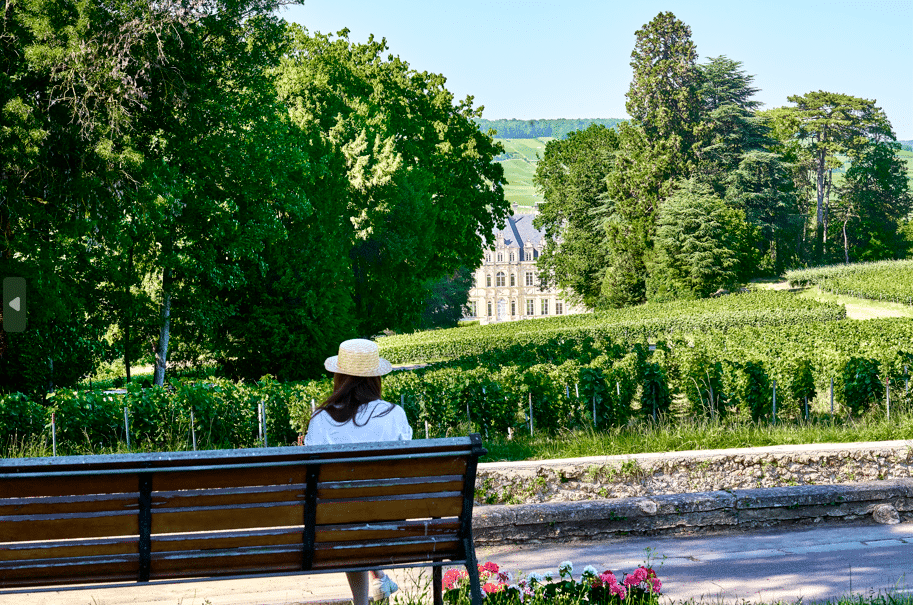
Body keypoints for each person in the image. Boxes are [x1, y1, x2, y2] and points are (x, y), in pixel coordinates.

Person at [304, 338, 412, 604]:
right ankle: (378, 582)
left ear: (339, 377)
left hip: (338, 523)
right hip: (391, 521)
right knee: (364, 510)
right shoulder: (394, 414)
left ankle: (364, 598)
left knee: (349, 512)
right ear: (375, 378)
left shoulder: (321, 420)